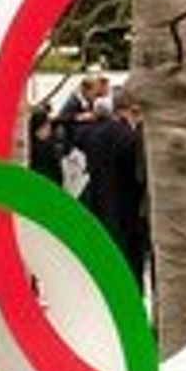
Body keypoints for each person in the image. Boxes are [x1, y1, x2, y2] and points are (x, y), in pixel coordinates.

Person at [70, 95, 148, 286]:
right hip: (127, 206)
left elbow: (77, 139)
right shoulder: (128, 137)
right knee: (129, 257)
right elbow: (137, 175)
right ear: (130, 110)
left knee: (106, 251)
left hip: (99, 200)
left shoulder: (92, 133)